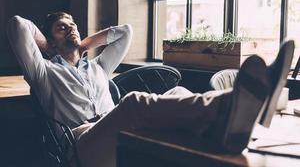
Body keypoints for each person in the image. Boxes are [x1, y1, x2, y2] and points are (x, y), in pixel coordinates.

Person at [6, 12, 289, 167]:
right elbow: (17, 26)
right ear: (48, 42)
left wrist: (82, 43)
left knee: (177, 93)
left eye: (73, 25)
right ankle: (243, 103)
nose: (70, 29)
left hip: (119, 132)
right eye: (61, 28)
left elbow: (125, 32)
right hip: (82, 148)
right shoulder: (43, 73)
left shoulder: (97, 67)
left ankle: (235, 111)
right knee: (133, 103)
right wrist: (49, 46)